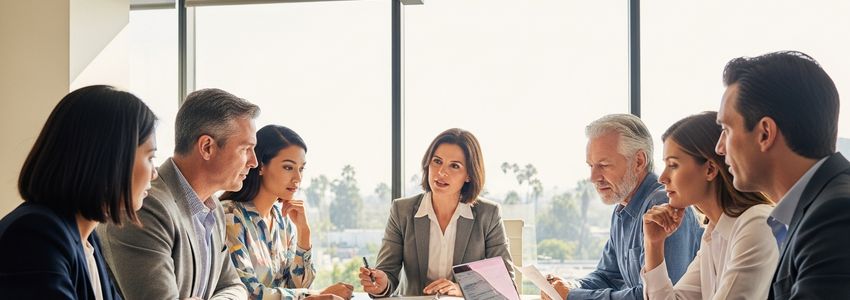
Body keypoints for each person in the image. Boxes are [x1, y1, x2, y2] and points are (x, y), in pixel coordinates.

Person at [0, 85, 158, 299]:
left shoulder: (87, 239)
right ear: (110, 159)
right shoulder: (36, 235)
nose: (154, 174)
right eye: (150, 157)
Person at [714, 51, 850, 299]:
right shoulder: (816, 208)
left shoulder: (836, 214)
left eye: (726, 129)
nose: (719, 148)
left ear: (765, 133)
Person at [98, 88, 257, 299]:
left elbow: (234, 287)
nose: (253, 162)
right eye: (245, 149)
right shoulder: (145, 206)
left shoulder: (213, 209)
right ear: (207, 147)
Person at [545, 114, 703, 300]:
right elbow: (607, 276)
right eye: (591, 166)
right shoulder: (621, 210)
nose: (593, 177)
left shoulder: (663, 207)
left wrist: (573, 296)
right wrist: (568, 286)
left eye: (603, 165)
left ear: (638, 162)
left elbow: (653, 296)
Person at [358, 128, 513, 297]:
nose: (441, 172)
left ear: (469, 174)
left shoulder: (488, 214)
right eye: (437, 161)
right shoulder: (401, 211)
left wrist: (462, 290)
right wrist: (380, 284)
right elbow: (388, 274)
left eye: (454, 166)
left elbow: (505, 283)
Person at [640, 111, 777, 299]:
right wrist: (653, 244)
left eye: (673, 165)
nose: (662, 178)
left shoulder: (757, 224)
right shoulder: (713, 236)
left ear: (710, 169)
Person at [220, 125, 354, 300]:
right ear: (260, 166)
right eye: (288, 167)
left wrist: (304, 234)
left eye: (301, 169)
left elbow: (298, 286)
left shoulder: (282, 219)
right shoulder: (230, 216)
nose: (297, 178)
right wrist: (318, 294)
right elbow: (249, 292)